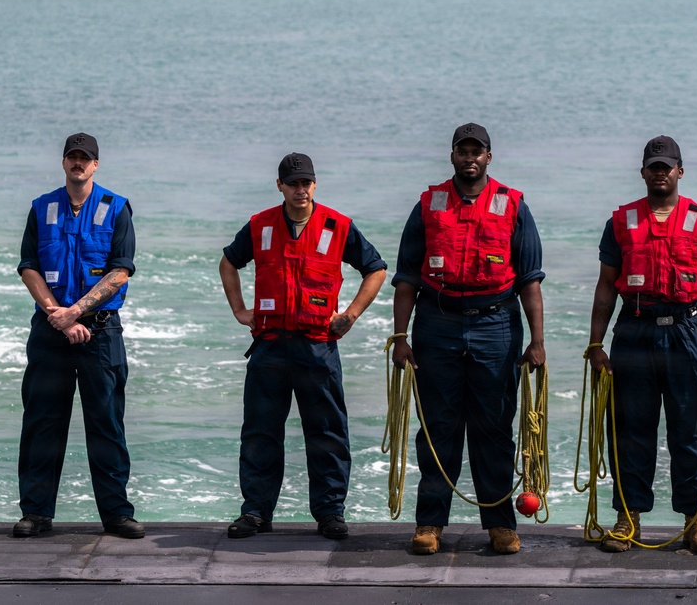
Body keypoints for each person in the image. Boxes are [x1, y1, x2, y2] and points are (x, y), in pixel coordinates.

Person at [390, 123, 546, 556]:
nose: (470, 158)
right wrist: (400, 337)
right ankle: (429, 523)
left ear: (488, 157)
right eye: (463, 151)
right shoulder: (428, 204)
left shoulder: (512, 204)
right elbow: (406, 277)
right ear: (453, 156)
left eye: (477, 151)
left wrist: (537, 342)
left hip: (496, 325)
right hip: (436, 324)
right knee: (438, 427)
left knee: (494, 426)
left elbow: (530, 281)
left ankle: (500, 524)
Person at [219, 152, 387, 540]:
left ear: (315, 184)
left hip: (317, 347)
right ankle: (256, 512)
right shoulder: (260, 225)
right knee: (260, 432)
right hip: (270, 346)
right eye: (293, 183)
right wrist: (239, 310)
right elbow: (228, 263)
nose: (301, 190)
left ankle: (330, 514)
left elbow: (376, 269)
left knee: (327, 432)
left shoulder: (338, 225)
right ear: (279, 185)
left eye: (306, 183)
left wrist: (351, 315)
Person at [586, 135, 697, 555]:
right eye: (653, 167)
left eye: (666, 166)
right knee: (630, 430)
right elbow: (605, 286)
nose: (660, 173)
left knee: (692, 432)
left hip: (687, 332)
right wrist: (596, 343)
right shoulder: (620, 222)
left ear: (680, 171)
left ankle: (695, 520)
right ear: (643, 172)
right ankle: (627, 518)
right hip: (634, 331)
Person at [13, 132, 144, 539]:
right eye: (72, 156)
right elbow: (28, 266)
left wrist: (76, 312)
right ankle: (36, 513)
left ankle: (116, 515)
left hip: (100, 332)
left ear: (95, 165)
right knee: (42, 423)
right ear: (63, 162)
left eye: (85, 158)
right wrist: (60, 316)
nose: (78, 162)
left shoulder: (116, 208)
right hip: (51, 330)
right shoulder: (42, 208)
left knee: (106, 424)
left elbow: (120, 271)